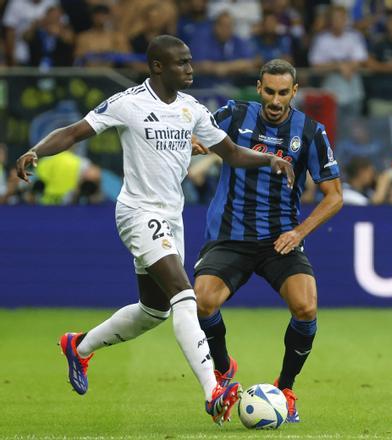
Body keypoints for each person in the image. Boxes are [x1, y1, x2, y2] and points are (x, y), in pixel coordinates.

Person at [15, 35, 294, 425]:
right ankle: (213, 390)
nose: (191, 68)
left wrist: (270, 160)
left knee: (154, 311)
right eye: (182, 63)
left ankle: (78, 346)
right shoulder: (128, 103)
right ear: (158, 67)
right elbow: (76, 131)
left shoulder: (191, 109)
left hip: (171, 216)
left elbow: (229, 152)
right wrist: (36, 151)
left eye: (191, 61)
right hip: (137, 212)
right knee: (184, 295)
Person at [192, 59, 343, 423]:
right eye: (269, 92)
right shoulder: (234, 113)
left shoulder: (309, 131)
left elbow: (334, 196)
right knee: (202, 302)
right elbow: (199, 137)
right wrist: (194, 145)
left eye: (283, 93)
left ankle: (286, 387)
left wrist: (299, 232)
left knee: (306, 308)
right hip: (231, 234)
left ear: (295, 91)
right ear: (259, 88)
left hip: (281, 238)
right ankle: (225, 369)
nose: (276, 100)